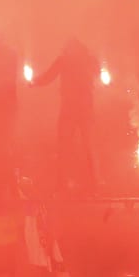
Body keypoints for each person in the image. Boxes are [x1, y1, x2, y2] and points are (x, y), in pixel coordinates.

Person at [32, 37, 99, 194]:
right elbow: (98, 73)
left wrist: (34, 82)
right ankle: (94, 185)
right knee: (88, 147)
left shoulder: (64, 60)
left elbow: (48, 77)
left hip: (70, 108)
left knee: (65, 147)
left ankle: (63, 185)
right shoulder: (88, 59)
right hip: (84, 108)